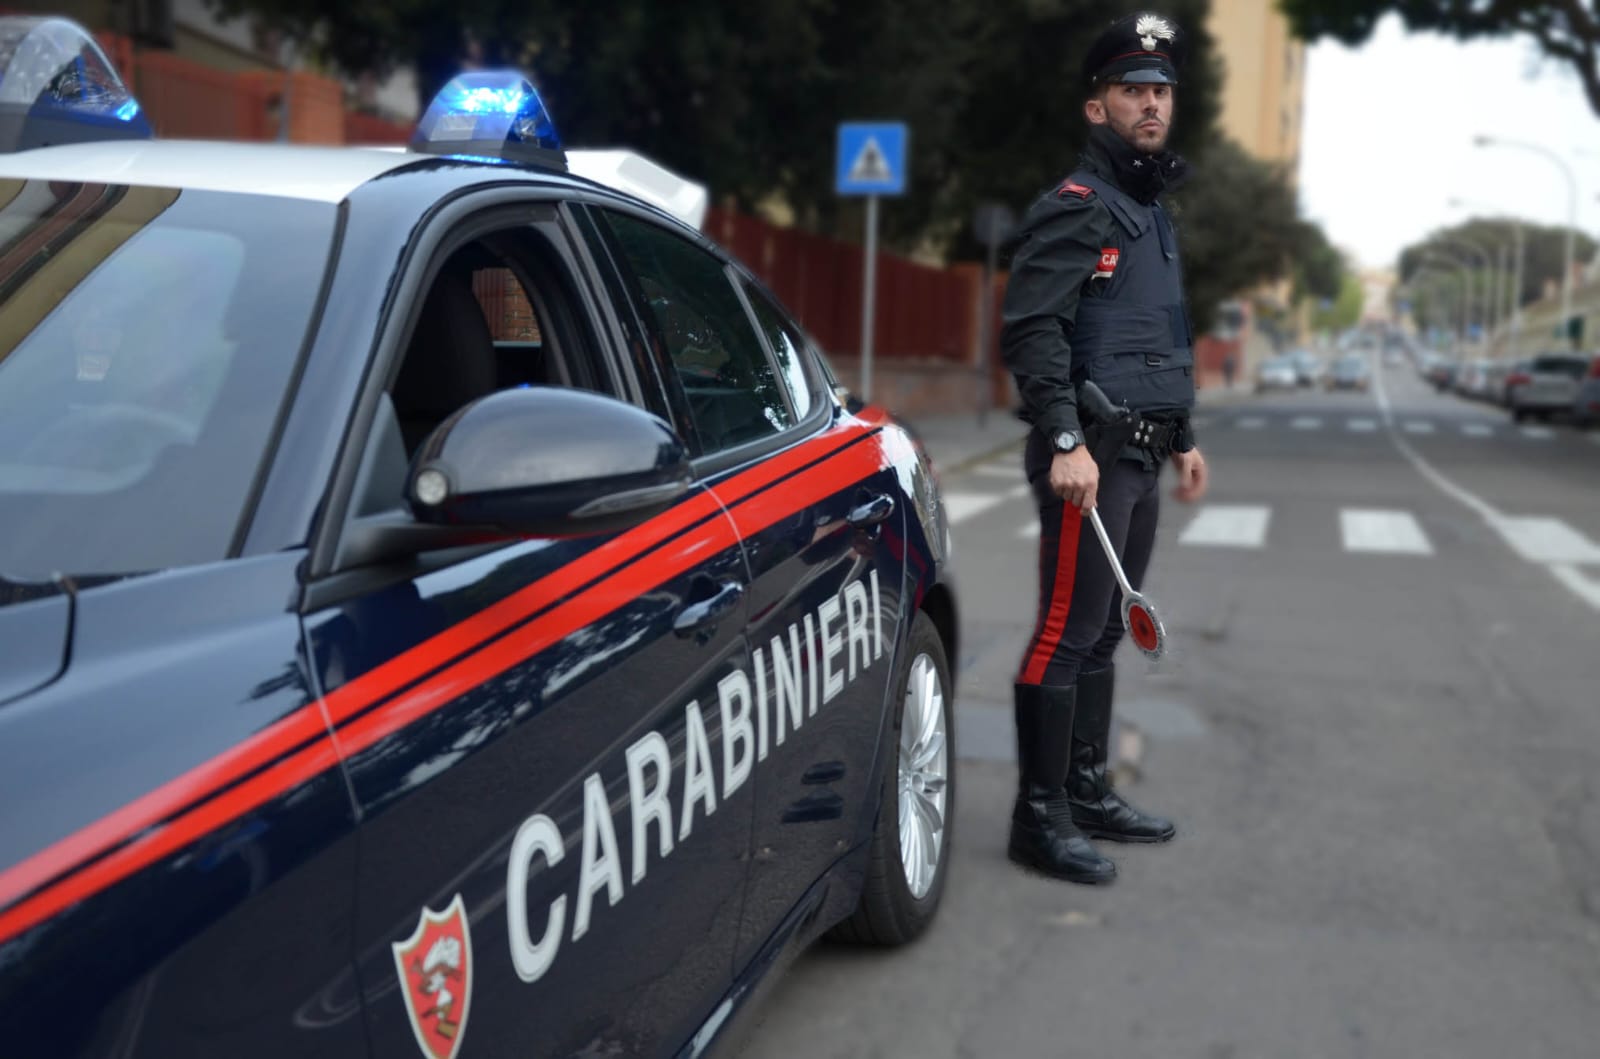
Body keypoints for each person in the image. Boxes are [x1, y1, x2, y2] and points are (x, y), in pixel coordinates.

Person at [999, 10, 1209, 885]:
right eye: (1131, 90)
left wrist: (1187, 438)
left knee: (1103, 636)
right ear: (1098, 109)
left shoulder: (1150, 214)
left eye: (1160, 90)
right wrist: (1063, 437)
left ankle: (1084, 789)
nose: (1150, 104)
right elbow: (1034, 330)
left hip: (1144, 454)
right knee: (1065, 629)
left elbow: (1158, 337)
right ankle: (1037, 817)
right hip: (1089, 456)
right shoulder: (1077, 210)